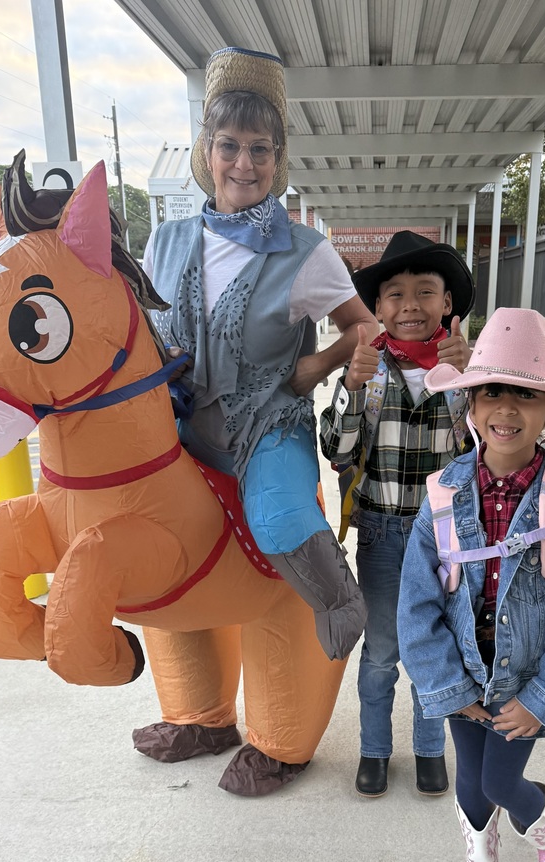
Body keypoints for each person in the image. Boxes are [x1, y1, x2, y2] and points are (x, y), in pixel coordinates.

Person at [134, 46, 380, 796]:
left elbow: (362, 326)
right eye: (230, 146)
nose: (245, 163)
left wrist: (330, 362)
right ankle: (200, 713)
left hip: (267, 425)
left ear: (279, 159)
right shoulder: (165, 240)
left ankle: (340, 601)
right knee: (146, 536)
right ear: (209, 153)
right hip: (181, 423)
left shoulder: (307, 253)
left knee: (276, 518)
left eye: (261, 150)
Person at [397, 307, 545, 862]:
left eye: (527, 393)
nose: (507, 409)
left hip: (529, 673)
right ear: (470, 401)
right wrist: (447, 686)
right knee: (471, 779)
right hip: (466, 669)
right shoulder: (441, 495)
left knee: (498, 777)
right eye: (492, 390)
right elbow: (417, 603)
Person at [319, 231, 475, 799]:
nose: (410, 304)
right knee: (383, 649)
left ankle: (430, 749)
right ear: (378, 308)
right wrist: (352, 389)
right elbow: (337, 450)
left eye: (425, 292)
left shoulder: (469, 373)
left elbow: (485, 456)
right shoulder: (367, 368)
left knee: (435, 646)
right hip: (383, 533)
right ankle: (375, 750)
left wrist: (469, 383)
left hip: (446, 537)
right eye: (395, 294)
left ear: (447, 304)